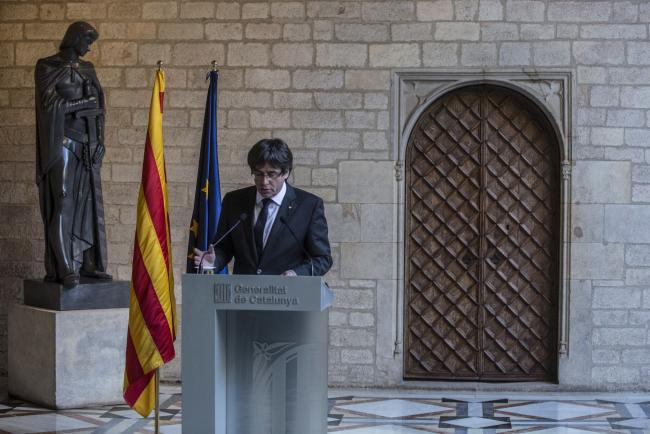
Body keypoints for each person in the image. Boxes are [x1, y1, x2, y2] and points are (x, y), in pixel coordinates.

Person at [35, 21, 111, 288]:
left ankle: (88, 262)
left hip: (87, 143)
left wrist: (100, 140)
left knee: (88, 203)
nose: (88, 49)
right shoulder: (47, 66)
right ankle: (64, 266)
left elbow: (99, 108)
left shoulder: (88, 69)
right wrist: (80, 104)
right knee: (64, 200)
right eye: (86, 42)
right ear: (75, 38)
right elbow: (48, 106)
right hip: (62, 142)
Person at [193, 138, 332, 276]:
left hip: (287, 293)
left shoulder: (309, 206)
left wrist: (297, 273)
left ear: (286, 173)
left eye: (271, 174)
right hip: (243, 293)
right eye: (258, 174)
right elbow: (224, 248)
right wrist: (214, 261)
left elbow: (322, 258)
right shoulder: (233, 201)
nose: (264, 182)